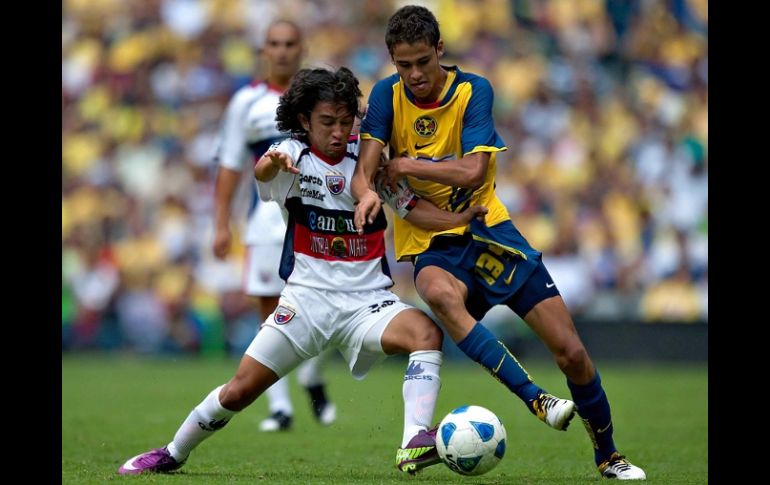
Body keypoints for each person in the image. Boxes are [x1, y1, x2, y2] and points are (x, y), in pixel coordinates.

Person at [118, 66, 488, 476]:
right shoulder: (291, 157)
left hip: (367, 304)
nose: (337, 131)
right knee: (240, 391)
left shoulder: (367, 167)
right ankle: (173, 452)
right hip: (305, 305)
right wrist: (272, 161)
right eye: (327, 122)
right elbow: (263, 172)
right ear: (303, 120)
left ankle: (413, 441)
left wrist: (461, 218)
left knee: (426, 333)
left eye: (345, 122)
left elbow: (414, 211)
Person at [352, 5, 646, 480]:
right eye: (403, 65)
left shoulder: (473, 90)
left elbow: (474, 170)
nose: (415, 75)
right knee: (438, 294)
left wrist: (407, 166)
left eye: (423, 62)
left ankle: (609, 456)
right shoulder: (386, 97)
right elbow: (365, 173)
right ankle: (535, 399)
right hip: (431, 240)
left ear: (440, 50)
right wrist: (368, 195)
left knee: (571, 353)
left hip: (490, 232)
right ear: (391, 59)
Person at [212, 19, 335, 431]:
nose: (281, 51)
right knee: (271, 309)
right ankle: (280, 408)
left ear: (302, 48)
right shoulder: (245, 102)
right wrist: (221, 225)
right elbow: (230, 165)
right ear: (264, 50)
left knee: (323, 307)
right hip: (265, 220)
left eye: (289, 43)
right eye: (274, 44)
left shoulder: (322, 99)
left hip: (316, 215)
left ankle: (312, 376)